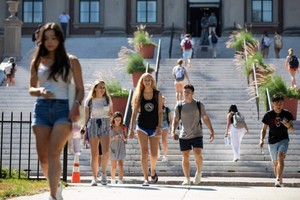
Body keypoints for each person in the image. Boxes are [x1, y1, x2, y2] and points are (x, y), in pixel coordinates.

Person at [29, 22, 84, 200]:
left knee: (54, 152)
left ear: (60, 38)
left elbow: (81, 88)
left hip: (64, 109)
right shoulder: (36, 61)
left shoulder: (72, 61)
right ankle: (56, 185)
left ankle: (53, 196)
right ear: (41, 41)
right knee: (43, 158)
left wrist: (76, 104)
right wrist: (39, 91)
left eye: (53, 38)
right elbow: (31, 88)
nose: (50, 42)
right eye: (46, 38)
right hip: (42, 108)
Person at [171, 84, 215, 185]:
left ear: (192, 93)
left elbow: (205, 117)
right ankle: (186, 178)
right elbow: (176, 119)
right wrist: (172, 131)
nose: (186, 94)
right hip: (184, 135)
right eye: (185, 92)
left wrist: (211, 130)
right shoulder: (179, 106)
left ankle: (199, 172)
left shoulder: (199, 104)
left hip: (197, 133)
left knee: (197, 154)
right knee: (185, 156)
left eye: (188, 92)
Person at [128, 73, 163, 186]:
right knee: (144, 152)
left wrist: (159, 127)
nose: (147, 82)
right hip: (141, 126)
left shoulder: (158, 94)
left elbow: (160, 112)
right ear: (142, 82)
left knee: (154, 154)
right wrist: (131, 129)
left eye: (149, 80)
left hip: (154, 127)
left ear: (152, 81)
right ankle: (145, 179)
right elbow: (134, 113)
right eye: (145, 80)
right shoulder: (139, 94)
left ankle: (152, 171)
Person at [260, 94, 294, 187]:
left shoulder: (287, 114)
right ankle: (280, 180)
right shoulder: (268, 115)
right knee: (275, 163)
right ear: (273, 103)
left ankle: (278, 179)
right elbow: (264, 129)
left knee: (280, 156)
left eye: (281, 103)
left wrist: (288, 126)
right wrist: (261, 139)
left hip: (284, 139)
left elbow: (292, 129)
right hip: (272, 141)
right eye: (277, 103)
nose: (279, 105)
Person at [83, 80, 113, 186]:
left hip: (105, 123)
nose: (102, 89)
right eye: (100, 87)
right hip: (93, 124)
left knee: (106, 152)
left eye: (104, 87)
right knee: (94, 154)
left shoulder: (107, 99)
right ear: (95, 88)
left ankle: (104, 174)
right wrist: (84, 127)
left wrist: (111, 119)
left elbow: (111, 113)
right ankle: (94, 177)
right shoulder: (89, 100)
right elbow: (86, 116)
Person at [110, 111, 127, 184]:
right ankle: (113, 179)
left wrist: (123, 138)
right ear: (113, 119)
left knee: (120, 164)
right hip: (112, 147)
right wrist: (114, 138)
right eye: (116, 120)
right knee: (113, 165)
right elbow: (106, 140)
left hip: (121, 147)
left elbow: (126, 139)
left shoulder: (124, 127)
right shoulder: (110, 127)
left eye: (119, 120)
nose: (118, 121)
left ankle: (120, 180)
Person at [161, 96, 172, 163]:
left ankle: (165, 155)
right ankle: (158, 153)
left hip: (165, 124)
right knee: (155, 141)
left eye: (163, 99)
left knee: (164, 140)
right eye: (161, 99)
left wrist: (171, 128)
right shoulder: (155, 108)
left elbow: (170, 119)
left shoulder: (167, 109)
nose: (162, 101)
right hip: (157, 125)